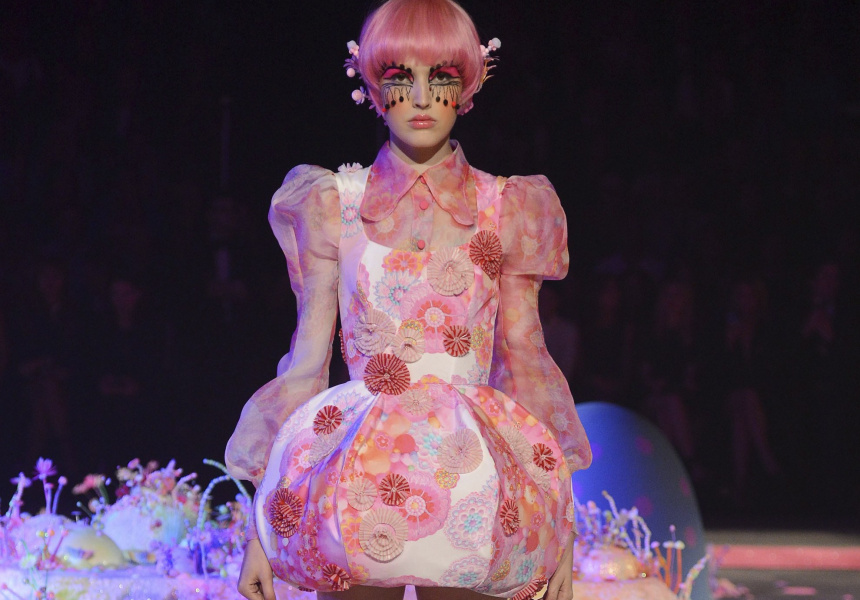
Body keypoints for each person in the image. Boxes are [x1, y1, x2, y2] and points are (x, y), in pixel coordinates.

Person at [226, 2, 591, 599]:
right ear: (373, 88)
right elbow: (304, 368)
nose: (421, 98)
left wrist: (561, 528)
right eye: (401, 77)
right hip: (358, 480)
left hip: (470, 479)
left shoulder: (507, 208)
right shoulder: (333, 203)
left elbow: (527, 366)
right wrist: (259, 531)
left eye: (440, 76)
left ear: (467, 86)